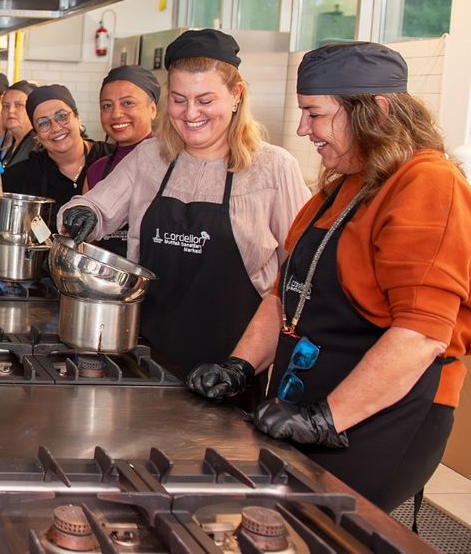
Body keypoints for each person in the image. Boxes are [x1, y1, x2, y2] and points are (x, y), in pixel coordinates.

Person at [186, 42, 471, 512]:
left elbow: (421, 334)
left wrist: (328, 419)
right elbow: (284, 296)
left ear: (376, 111)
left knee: (327, 530)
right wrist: (239, 367)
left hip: (382, 413)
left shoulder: (427, 182)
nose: (304, 129)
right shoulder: (342, 186)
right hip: (312, 399)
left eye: (314, 114)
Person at [59, 29, 310, 376]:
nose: (191, 113)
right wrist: (81, 212)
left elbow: (301, 269)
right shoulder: (150, 156)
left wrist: (249, 366)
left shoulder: (274, 168)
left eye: (205, 100)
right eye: (179, 99)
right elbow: (97, 206)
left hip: (234, 367)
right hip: (145, 356)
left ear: (236, 94)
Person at [0, 84, 113, 239]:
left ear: (77, 118)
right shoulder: (29, 173)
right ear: (36, 134)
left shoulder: (112, 159)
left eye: (62, 116)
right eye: (43, 123)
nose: (55, 128)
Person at [81, 65, 160, 256]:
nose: (116, 114)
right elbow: (88, 243)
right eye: (107, 106)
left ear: (152, 109)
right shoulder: (96, 170)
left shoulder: (174, 165)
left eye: (128, 103)